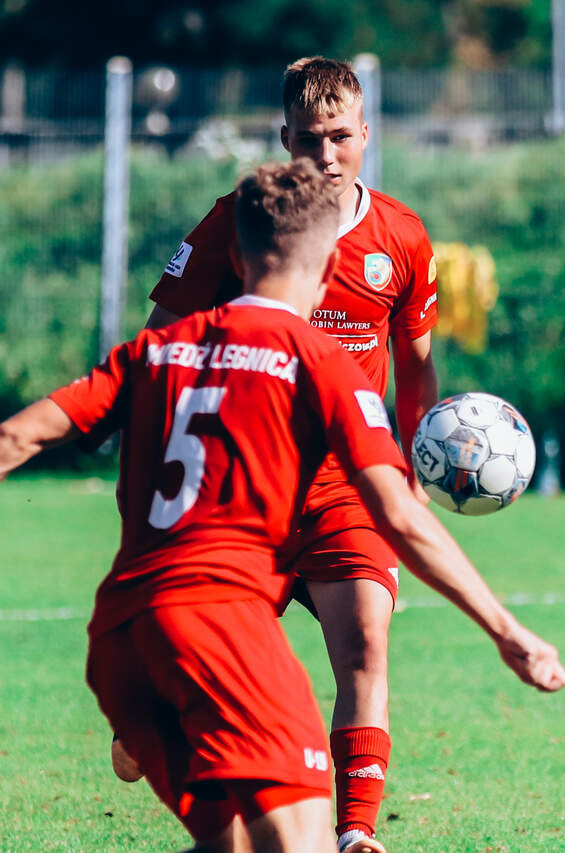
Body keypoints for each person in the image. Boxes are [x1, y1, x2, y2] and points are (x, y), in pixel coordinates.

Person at [0, 160, 565, 853]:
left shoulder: (153, 351)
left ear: (236, 261)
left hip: (123, 638)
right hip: (224, 632)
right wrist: (507, 630)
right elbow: (399, 515)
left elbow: (16, 437)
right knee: (299, 844)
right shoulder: (318, 363)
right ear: (329, 271)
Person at [145, 57, 439, 852]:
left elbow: (414, 363)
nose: (328, 155)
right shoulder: (237, 221)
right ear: (285, 140)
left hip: (348, 484)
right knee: (205, 670)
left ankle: (355, 832)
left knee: (366, 643)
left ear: (367, 134)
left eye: (341, 136)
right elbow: (160, 337)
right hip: (245, 484)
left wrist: (412, 465)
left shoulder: (401, 236)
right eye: (310, 139)